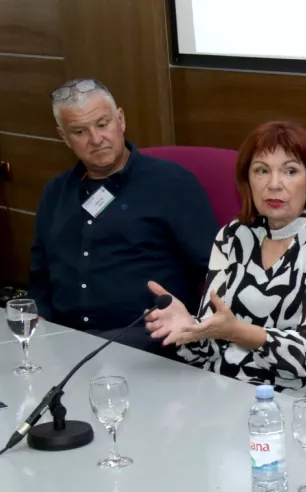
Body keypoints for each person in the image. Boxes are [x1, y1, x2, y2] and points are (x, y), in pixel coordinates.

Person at [145, 121, 306, 396]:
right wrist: (190, 330)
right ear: (247, 180)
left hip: (300, 403)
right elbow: (209, 347)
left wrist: (236, 331)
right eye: (262, 171)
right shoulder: (233, 236)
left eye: (290, 171)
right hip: (221, 392)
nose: (274, 184)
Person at [28, 79, 218, 352]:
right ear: (64, 137)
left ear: (120, 119)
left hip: (146, 339)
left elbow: (215, 270)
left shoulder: (172, 184)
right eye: (80, 131)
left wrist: (196, 326)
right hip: (63, 340)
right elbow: (39, 277)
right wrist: (39, 320)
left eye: (103, 124)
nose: (95, 139)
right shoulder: (55, 192)